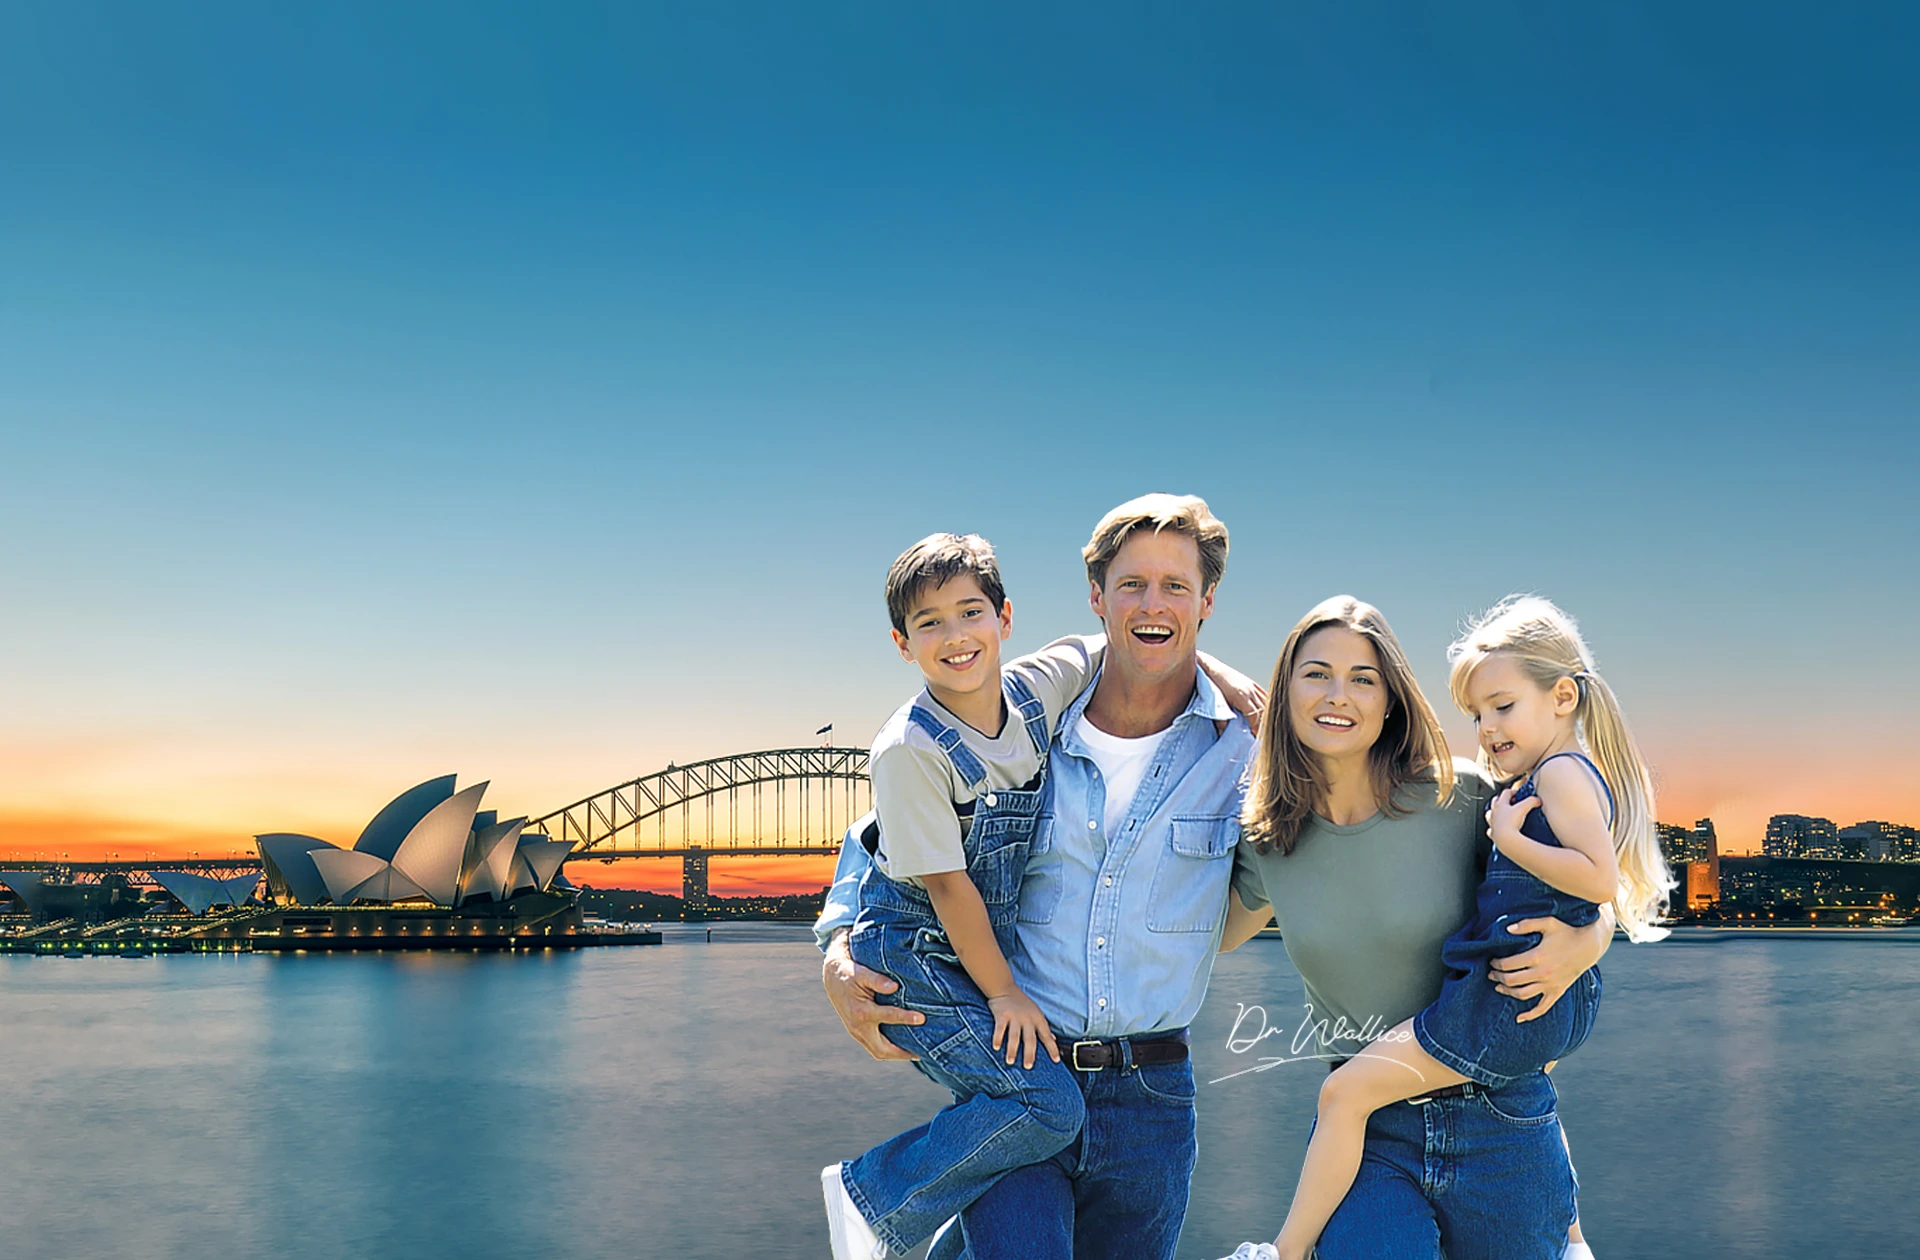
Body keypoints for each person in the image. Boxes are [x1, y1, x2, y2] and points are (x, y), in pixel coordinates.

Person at [819, 494, 1256, 1260]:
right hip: (1024, 1061)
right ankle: (873, 1203)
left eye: (1176, 587)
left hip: (1151, 1098)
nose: (1152, 605)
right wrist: (834, 945)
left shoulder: (1247, 748)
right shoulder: (1025, 703)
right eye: (1131, 585)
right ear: (1096, 597)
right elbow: (886, 837)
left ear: (1208, 601)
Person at [1217, 596, 1626, 1260]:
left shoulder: (1462, 797)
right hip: (1369, 1133)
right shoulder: (1269, 837)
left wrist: (1591, 939)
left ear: (1391, 701)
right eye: (1316, 673)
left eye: (1364, 678)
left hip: (1502, 1118)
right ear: (1286, 689)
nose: (1338, 695)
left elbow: (1579, 883)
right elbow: (1202, 937)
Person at [819, 533, 1096, 1259]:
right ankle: (872, 1195)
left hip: (965, 955)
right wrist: (1004, 993)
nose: (955, 636)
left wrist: (1230, 683)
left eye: (970, 612)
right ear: (902, 644)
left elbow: (1123, 650)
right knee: (1044, 1102)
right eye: (928, 623)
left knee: (1019, 1110)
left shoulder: (1038, 687)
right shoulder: (909, 749)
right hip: (910, 958)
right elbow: (949, 887)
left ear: (1005, 618)